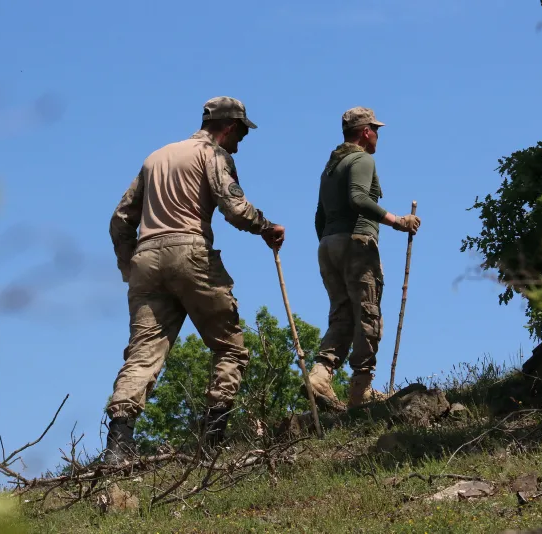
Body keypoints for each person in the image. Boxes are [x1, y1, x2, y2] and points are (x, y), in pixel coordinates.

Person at [104, 96, 285, 463]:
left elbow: (121, 218)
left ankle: (118, 445)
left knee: (142, 354)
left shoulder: (155, 157)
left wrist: (129, 265)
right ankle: (213, 436)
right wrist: (266, 227)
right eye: (242, 133)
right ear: (229, 127)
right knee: (230, 346)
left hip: (147, 258)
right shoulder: (214, 155)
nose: (242, 142)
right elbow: (234, 207)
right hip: (190, 252)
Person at [309, 106, 421, 410]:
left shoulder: (330, 168)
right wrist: (397, 221)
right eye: (376, 130)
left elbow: (319, 216)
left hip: (328, 245)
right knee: (368, 313)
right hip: (356, 243)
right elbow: (359, 199)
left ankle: (319, 375)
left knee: (342, 314)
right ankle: (361, 389)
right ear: (365, 132)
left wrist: (332, 246)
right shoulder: (362, 159)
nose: (377, 136)